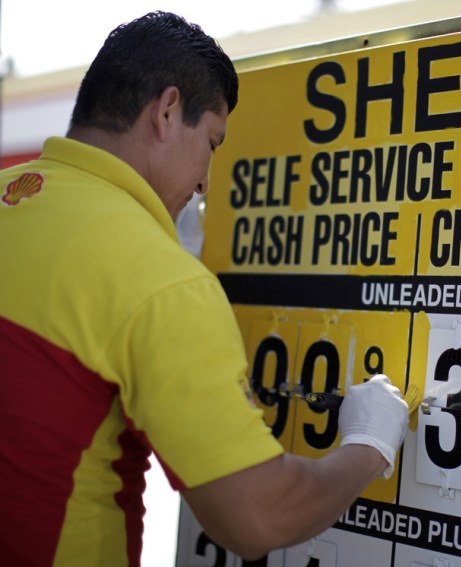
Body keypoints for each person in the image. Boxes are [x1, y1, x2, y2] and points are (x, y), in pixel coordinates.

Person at [0, 11, 409, 566]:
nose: (204, 184)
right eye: (212, 144)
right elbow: (258, 516)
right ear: (167, 111)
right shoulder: (160, 280)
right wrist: (369, 446)